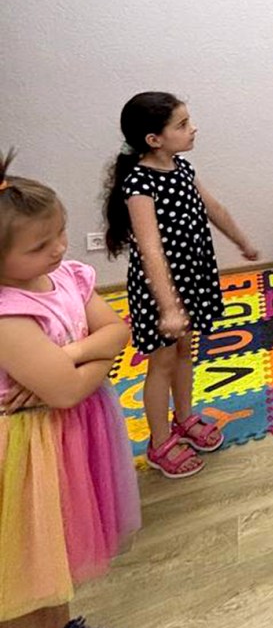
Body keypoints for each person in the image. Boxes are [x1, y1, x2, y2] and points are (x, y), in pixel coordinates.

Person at [0, 150, 141, 627]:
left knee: (57, 549)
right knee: (26, 565)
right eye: (40, 245)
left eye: (60, 232)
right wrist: (95, 353)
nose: (59, 248)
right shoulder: (8, 315)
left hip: (73, 433)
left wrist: (71, 355)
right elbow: (64, 391)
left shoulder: (64, 277)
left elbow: (119, 331)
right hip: (28, 451)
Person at [103, 92, 259, 478]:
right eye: (182, 124)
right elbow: (151, 249)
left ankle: (184, 418)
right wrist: (169, 305)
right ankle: (159, 443)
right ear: (153, 139)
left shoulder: (182, 167)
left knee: (187, 352)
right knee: (162, 363)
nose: (192, 129)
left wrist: (241, 240)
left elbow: (214, 209)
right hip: (161, 289)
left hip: (193, 278)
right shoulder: (139, 182)